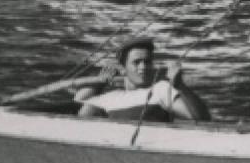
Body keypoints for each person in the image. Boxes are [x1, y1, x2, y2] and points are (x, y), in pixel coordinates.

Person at [72, 38, 211, 122]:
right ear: (122, 68)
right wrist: (99, 83)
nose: (143, 67)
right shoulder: (109, 98)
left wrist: (180, 86)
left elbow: (200, 118)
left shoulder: (161, 90)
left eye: (147, 62)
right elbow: (77, 105)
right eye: (136, 62)